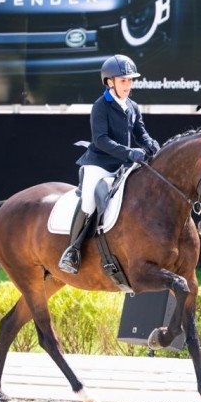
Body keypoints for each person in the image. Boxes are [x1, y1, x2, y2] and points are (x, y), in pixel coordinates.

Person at [58, 54, 160, 274]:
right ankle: (72, 251)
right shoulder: (101, 106)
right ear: (109, 82)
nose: (128, 85)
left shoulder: (132, 106)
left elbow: (140, 133)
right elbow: (101, 140)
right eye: (123, 80)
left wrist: (152, 145)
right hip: (100, 163)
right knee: (88, 203)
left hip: (124, 164)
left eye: (130, 80)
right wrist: (129, 152)